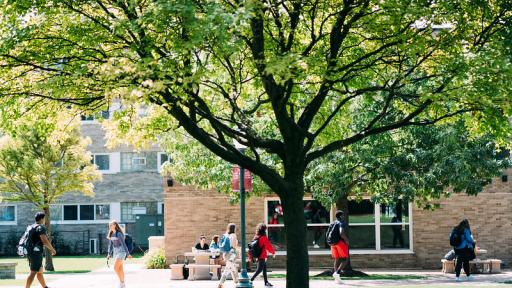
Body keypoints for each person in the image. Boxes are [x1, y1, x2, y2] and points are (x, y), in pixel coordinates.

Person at [25, 212, 57, 288]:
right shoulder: (40, 227)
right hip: (36, 252)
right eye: (44, 218)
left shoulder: (32, 227)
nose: (45, 220)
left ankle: (45, 287)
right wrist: (52, 250)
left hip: (31, 252)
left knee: (39, 271)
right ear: (42, 219)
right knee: (33, 272)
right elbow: (44, 241)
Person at [107, 220, 132, 288]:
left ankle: (121, 282)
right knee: (120, 269)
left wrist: (128, 254)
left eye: (111, 225)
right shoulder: (111, 234)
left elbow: (124, 244)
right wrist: (109, 253)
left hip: (122, 252)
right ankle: (123, 284)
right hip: (116, 252)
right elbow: (110, 245)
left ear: (115, 225)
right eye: (109, 225)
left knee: (115, 268)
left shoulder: (119, 234)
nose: (110, 226)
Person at [330, 210, 349, 285]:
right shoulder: (341, 222)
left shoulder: (332, 223)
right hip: (339, 242)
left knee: (337, 259)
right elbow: (341, 233)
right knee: (345, 259)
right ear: (340, 216)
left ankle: (337, 279)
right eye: (343, 215)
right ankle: (337, 273)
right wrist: (346, 240)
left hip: (332, 243)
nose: (344, 216)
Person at [218, 223, 239, 288]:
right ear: (234, 228)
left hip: (226, 254)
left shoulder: (226, 235)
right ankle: (237, 282)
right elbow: (233, 245)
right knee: (231, 268)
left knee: (229, 268)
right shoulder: (233, 235)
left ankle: (221, 284)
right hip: (231, 254)